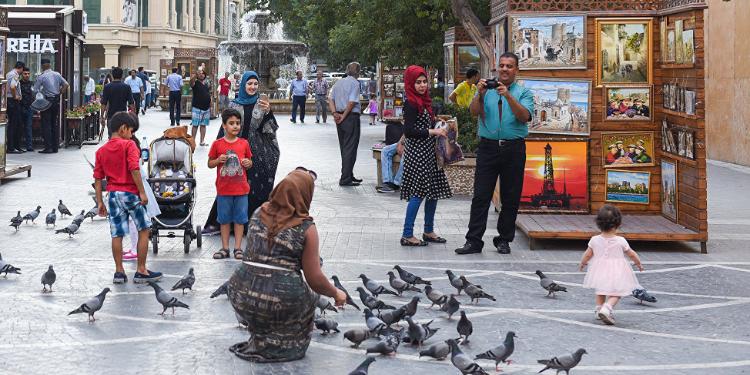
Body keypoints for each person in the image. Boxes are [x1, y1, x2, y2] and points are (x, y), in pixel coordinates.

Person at [227, 168, 347, 362]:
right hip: (278, 300)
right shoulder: (306, 228)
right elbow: (315, 279)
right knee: (309, 298)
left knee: (267, 299)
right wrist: (336, 293)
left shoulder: (259, 211)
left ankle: (261, 337)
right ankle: (285, 346)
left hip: (240, 292)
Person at [456, 52, 533, 255]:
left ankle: (504, 240)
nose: (505, 69)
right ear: (496, 68)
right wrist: (479, 94)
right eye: (502, 65)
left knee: (510, 196)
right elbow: (474, 112)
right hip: (488, 147)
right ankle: (473, 241)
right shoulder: (487, 90)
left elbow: (524, 117)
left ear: (516, 70)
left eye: (509, 66)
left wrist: (507, 95)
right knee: (481, 195)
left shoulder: (524, 93)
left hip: (513, 148)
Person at [202, 71, 280, 235]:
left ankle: (253, 223)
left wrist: (269, 113)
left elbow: (270, 130)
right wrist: (219, 149)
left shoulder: (262, 105)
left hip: (257, 154)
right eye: (249, 84)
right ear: (243, 85)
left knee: (256, 187)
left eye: (255, 84)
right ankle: (222, 223)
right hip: (236, 152)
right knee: (232, 184)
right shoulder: (234, 105)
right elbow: (224, 128)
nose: (252, 87)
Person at [94, 111, 163, 284]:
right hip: (131, 194)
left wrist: (100, 202)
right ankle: (141, 269)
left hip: (113, 195)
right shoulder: (129, 145)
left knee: (117, 234)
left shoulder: (101, 150)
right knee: (144, 229)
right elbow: (134, 169)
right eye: (131, 131)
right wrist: (142, 192)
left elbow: (97, 178)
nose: (132, 135)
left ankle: (119, 271)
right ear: (123, 129)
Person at [399, 65, 452, 247]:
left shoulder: (424, 101)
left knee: (433, 192)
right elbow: (409, 131)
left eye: (424, 82)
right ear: (410, 84)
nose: (422, 85)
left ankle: (428, 231)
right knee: (419, 193)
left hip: (429, 153)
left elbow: (421, 124)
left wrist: (438, 123)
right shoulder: (411, 103)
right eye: (418, 82)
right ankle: (407, 234)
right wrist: (433, 132)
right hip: (418, 154)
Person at [579, 205, 643, 325]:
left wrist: (582, 263)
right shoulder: (621, 240)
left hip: (599, 270)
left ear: (599, 223)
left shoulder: (594, 240)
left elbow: (587, 254)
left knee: (600, 289)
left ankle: (598, 309)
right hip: (617, 271)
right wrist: (638, 263)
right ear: (618, 223)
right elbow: (632, 254)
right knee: (617, 292)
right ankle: (607, 308)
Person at [209, 108, 253, 260]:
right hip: (224, 190)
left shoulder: (244, 143)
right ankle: (225, 248)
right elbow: (210, 163)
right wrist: (217, 161)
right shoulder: (217, 144)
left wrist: (248, 163)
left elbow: (249, 161)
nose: (235, 126)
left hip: (241, 190)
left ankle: (238, 248)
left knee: (240, 220)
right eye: (231, 123)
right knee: (224, 219)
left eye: (238, 123)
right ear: (224, 126)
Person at [124, 133, 161, 261]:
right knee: (134, 221)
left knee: (133, 222)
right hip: (138, 190)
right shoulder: (135, 152)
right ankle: (134, 248)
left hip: (137, 190)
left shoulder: (132, 154)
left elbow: (136, 173)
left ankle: (135, 249)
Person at [328, 62, 363, 186]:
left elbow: (330, 99)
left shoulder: (338, 83)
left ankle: (348, 174)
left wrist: (334, 113)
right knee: (350, 147)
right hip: (350, 117)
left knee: (345, 147)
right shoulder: (355, 83)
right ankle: (345, 178)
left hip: (340, 118)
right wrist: (344, 115)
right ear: (358, 72)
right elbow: (352, 101)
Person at [35, 59, 69, 154]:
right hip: (56, 101)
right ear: (50, 65)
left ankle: (48, 147)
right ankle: (55, 147)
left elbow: (35, 90)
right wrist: (59, 93)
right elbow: (66, 84)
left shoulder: (41, 76)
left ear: (42, 66)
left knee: (46, 124)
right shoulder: (57, 74)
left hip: (46, 101)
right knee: (54, 123)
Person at [101, 67, 135, 138]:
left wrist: (102, 117)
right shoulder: (126, 87)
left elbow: (103, 103)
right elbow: (131, 103)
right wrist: (133, 116)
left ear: (112, 75)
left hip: (111, 117)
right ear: (122, 76)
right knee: (123, 138)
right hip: (123, 117)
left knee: (112, 139)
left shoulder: (107, 87)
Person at [5, 61, 24, 154]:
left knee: (12, 124)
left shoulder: (8, 74)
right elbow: (13, 87)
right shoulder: (15, 75)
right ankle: (12, 147)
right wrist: (15, 96)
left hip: (8, 101)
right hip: (13, 101)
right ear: (21, 68)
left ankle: (12, 146)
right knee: (14, 125)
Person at [190, 70, 212, 146]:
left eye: (203, 73)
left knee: (203, 125)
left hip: (206, 108)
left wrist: (210, 102)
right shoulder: (195, 83)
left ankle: (202, 141)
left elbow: (208, 93)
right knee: (195, 125)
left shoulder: (206, 84)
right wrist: (196, 75)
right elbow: (191, 82)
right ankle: (192, 141)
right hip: (197, 107)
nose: (202, 75)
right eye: (200, 74)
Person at [19, 67, 35, 152]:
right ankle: (18, 145)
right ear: (22, 74)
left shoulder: (32, 83)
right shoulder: (19, 83)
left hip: (29, 107)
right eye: (25, 74)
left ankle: (29, 146)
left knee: (28, 127)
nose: (27, 75)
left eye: (28, 74)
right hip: (20, 107)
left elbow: (34, 94)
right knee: (19, 126)